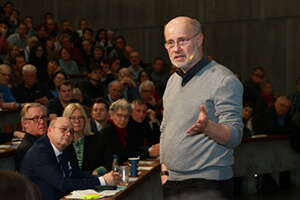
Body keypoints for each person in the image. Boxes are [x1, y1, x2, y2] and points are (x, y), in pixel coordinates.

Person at [160, 16, 243, 199]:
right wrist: (164, 169)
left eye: (182, 41)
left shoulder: (224, 80)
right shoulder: (172, 81)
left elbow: (235, 136)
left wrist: (208, 127)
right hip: (172, 181)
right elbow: (166, 127)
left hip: (207, 182)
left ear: (199, 39)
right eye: (170, 43)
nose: (176, 49)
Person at [20, 117, 121, 200]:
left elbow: (76, 174)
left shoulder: (61, 148)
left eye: (71, 131)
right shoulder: (40, 152)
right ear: (50, 130)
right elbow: (62, 184)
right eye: (63, 129)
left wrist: (103, 179)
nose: (68, 134)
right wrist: (102, 181)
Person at [101, 98, 160, 164]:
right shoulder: (108, 130)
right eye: (119, 116)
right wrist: (149, 153)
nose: (123, 119)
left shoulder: (124, 129)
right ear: (111, 116)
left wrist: (152, 149)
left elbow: (135, 148)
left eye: (126, 116)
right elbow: (124, 154)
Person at [63, 103, 113, 175]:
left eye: (80, 117)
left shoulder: (97, 139)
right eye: (73, 118)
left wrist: (97, 172)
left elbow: (110, 162)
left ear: (85, 120)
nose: (77, 121)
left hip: (93, 181)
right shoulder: (62, 143)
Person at [15, 103, 48, 171]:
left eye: (43, 117)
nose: (42, 122)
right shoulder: (26, 148)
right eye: (35, 118)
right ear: (25, 123)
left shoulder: (47, 141)